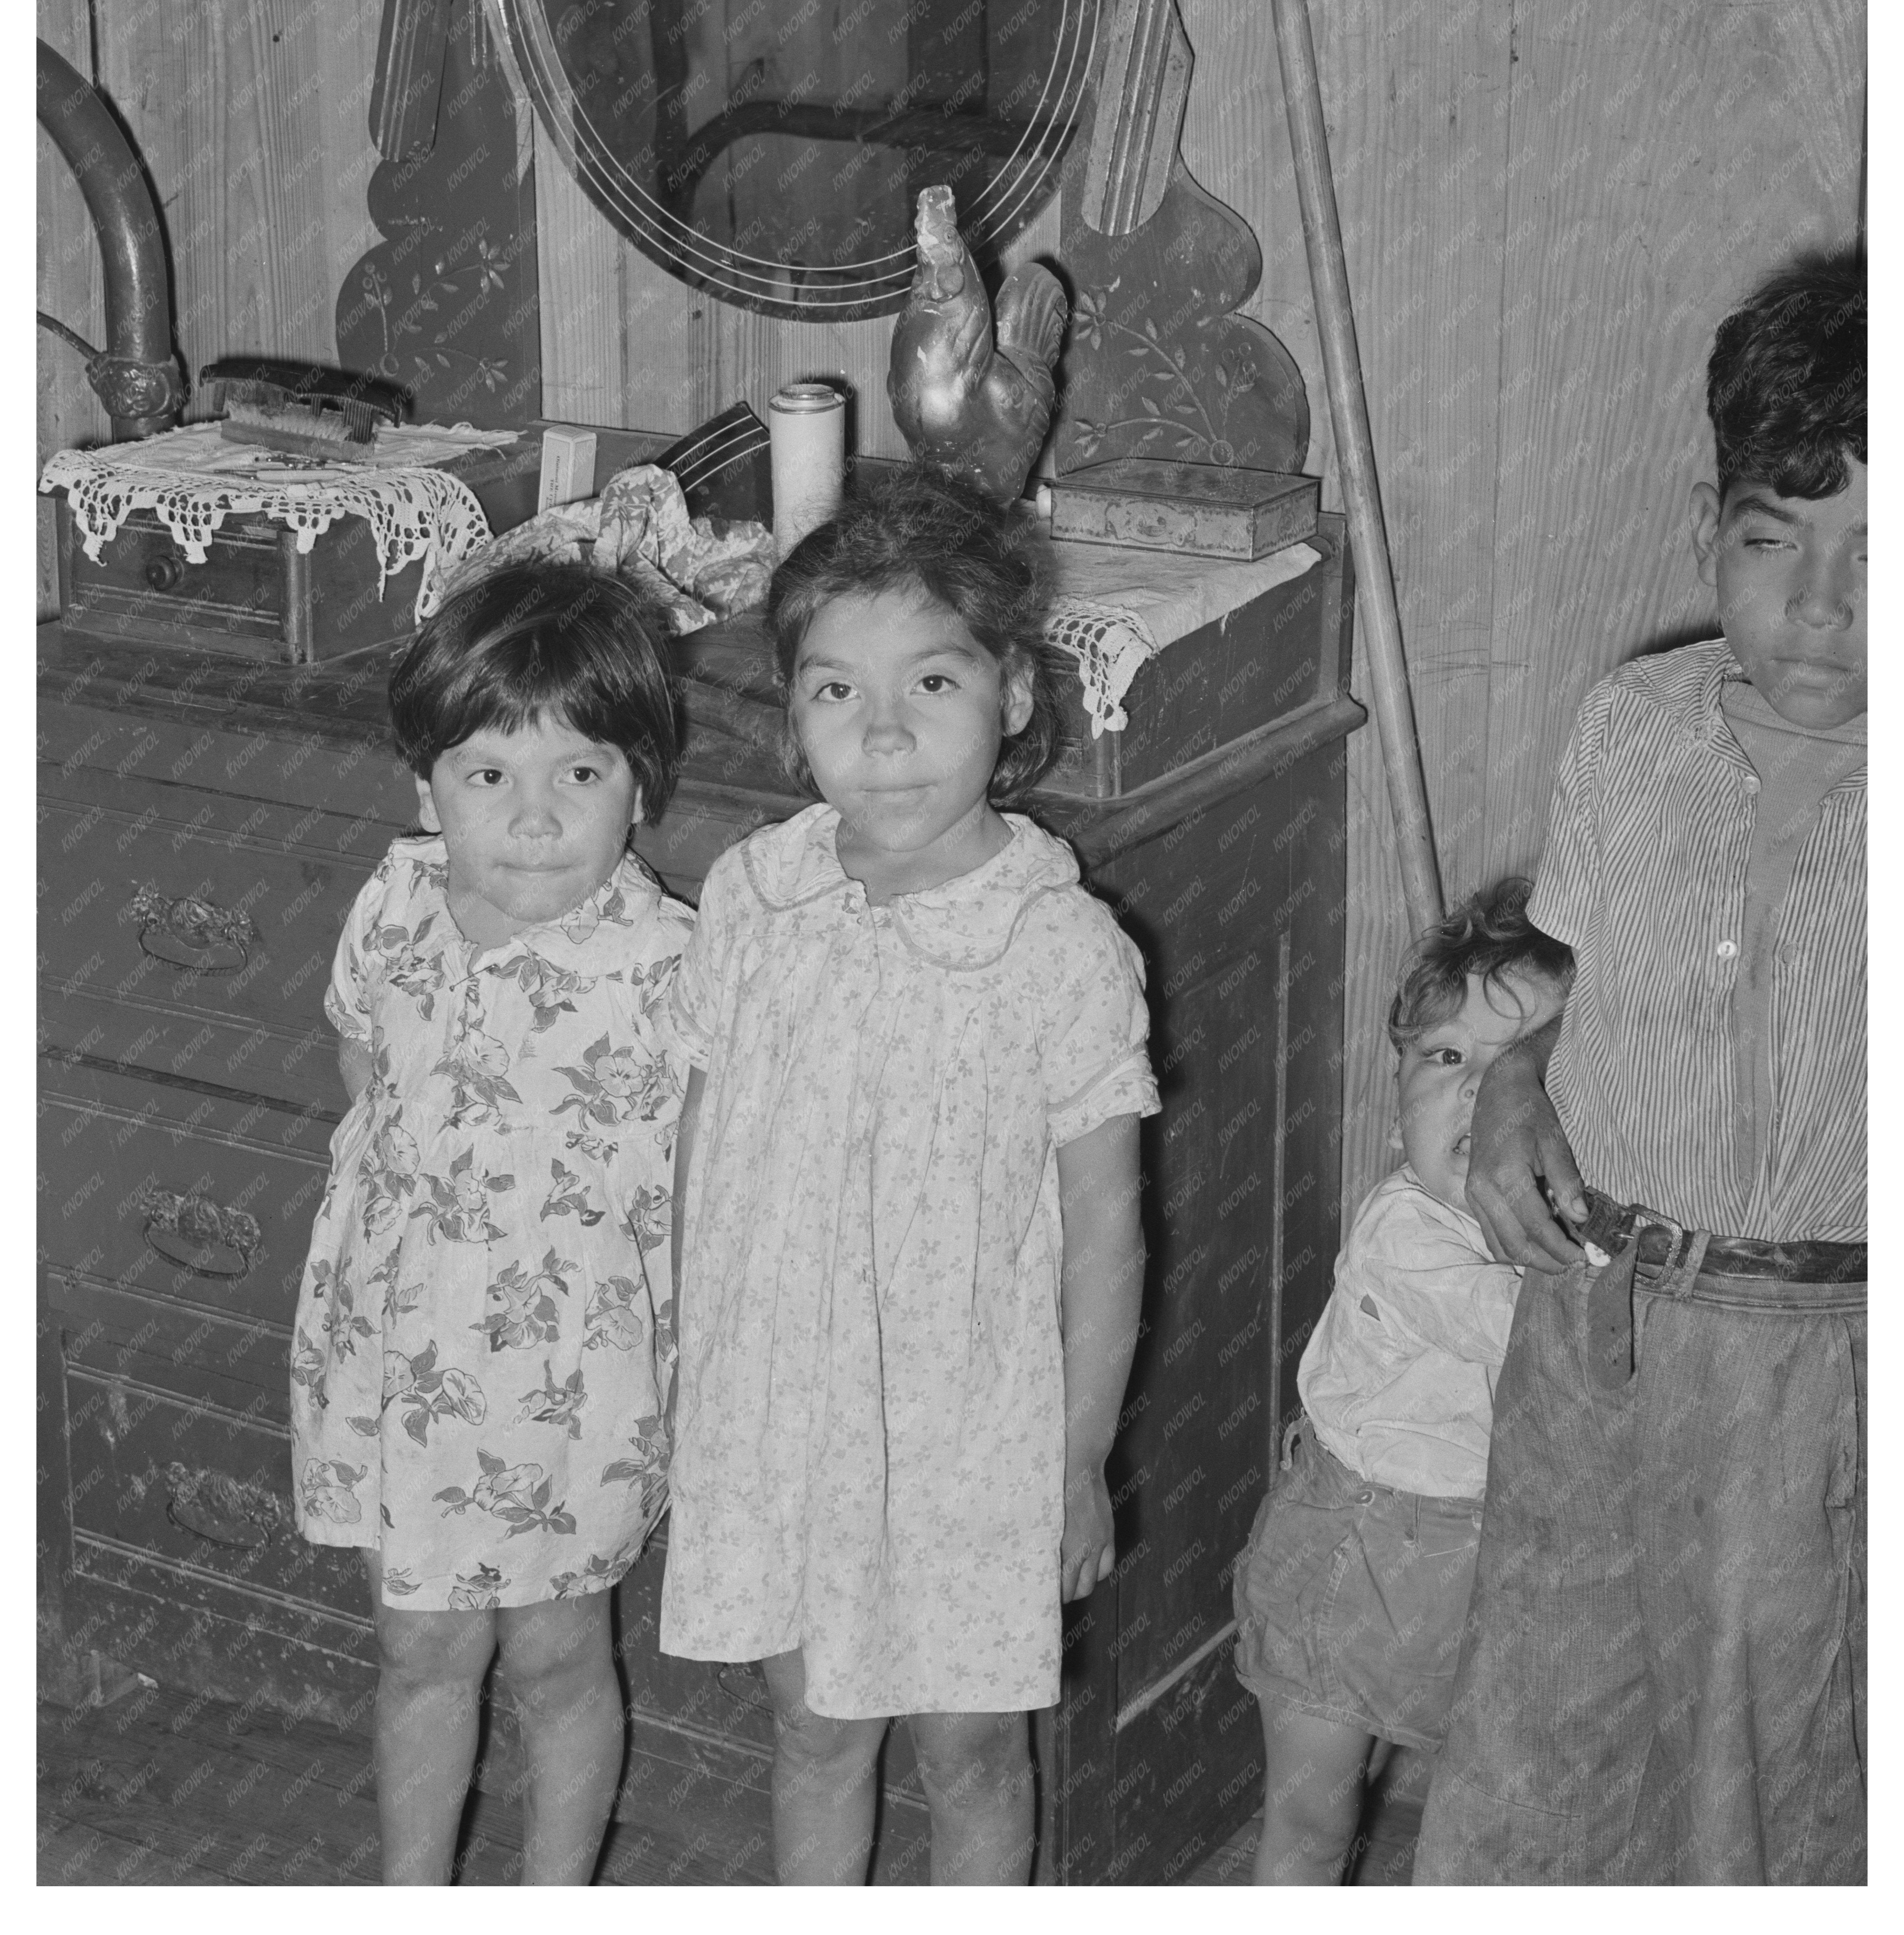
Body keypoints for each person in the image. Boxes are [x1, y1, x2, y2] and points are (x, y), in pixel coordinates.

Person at [1416, 246, 1866, 1884]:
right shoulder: (1628, 726)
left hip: (1821, 1363)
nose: (1819, 606)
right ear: (1707, 531)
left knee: (1765, 1776)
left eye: (1878, 555)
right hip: (1596, 1326)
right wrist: (1519, 1083)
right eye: (1777, 541)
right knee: (1544, 1730)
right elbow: (1579, 976)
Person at [658, 467, 1155, 1884]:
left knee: (972, 1750)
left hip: (972, 1435)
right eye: (834, 691)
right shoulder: (757, 893)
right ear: (792, 707)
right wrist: (694, 1368)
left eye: (930, 681)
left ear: (1009, 691)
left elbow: (1105, 1228)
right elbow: (705, 1137)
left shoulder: (1057, 946)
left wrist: (1074, 1457)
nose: (882, 733)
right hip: (786, 1410)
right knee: (812, 1727)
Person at [289, 560, 693, 1884]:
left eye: (579, 773)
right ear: (427, 788)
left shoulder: (673, 967)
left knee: (560, 1650)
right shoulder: (396, 903)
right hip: (399, 1363)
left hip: (568, 1384)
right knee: (420, 1647)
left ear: (641, 784)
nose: (534, 815)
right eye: (488, 774)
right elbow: (365, 1067)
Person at [1232, 882, 1572, 1884]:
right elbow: (1532, 1336)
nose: (1475, 1092)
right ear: (1395, 1108)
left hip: (1485, 1558)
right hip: (1355, 1560)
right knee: (1310, 1819)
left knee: (1488, 1814)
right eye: (1444, 1058)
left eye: (1518, 1067)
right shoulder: (1406, 1233)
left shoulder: (1572, 1232)